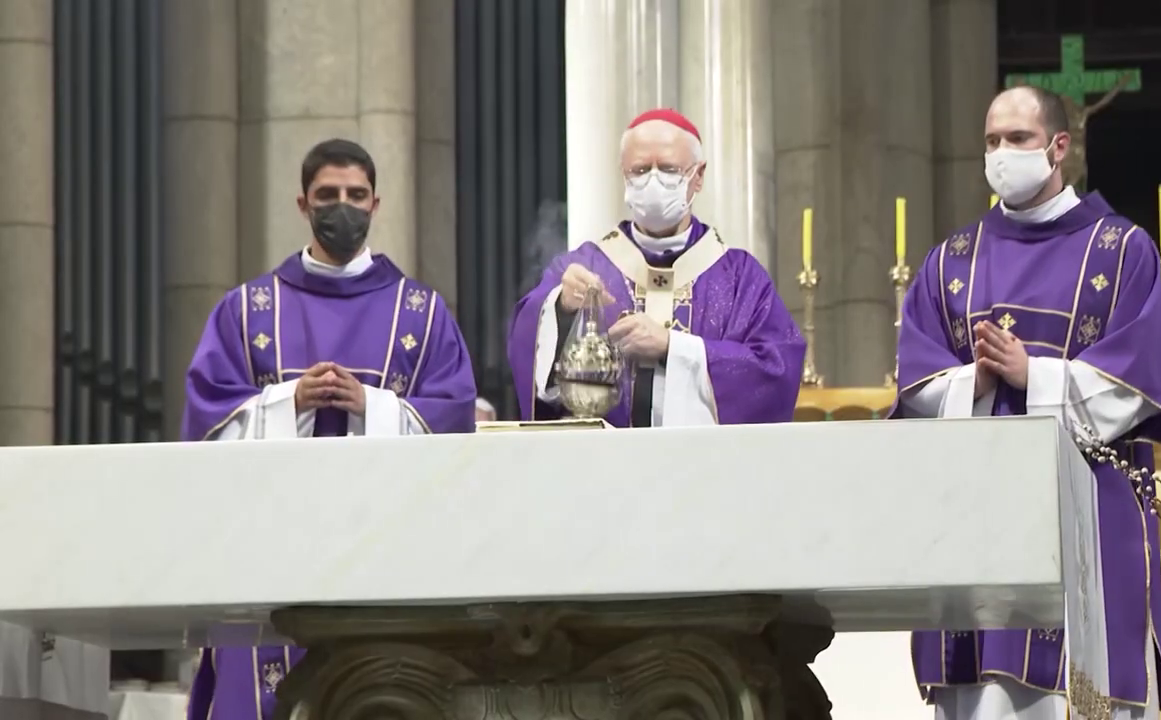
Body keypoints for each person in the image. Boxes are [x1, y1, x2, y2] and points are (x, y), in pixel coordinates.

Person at [891, 85, 1161, 719]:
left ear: (1058, 147)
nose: (1001, 154)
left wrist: (1036, 375)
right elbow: (914, 386)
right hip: (978, 527)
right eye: (992, 141)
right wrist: (974, 382)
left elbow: (1141, 383)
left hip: (1089, 513)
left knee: (1082, 698)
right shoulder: (952, 262)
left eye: (1018, 139)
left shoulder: (1121, 250)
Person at [182, 138, 477, 720]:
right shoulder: (247, 310)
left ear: (376, 203)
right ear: (302, 204)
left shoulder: (420, 312)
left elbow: (456, 421)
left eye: (355, 195)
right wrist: (290, 399)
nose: (342, 208)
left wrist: (370, 405)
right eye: (327, 196)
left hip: (386, 553)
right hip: (269, 552)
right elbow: (203, 421)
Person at [508, 108, 805, 427]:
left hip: (703, 468)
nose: (652, 181)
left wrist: (673, 348)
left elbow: (776, 371)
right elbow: (525, 340)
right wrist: (561, 308)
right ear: (624, 176)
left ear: (698, 176)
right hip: (605, 468)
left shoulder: (739, 279)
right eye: (639, 170)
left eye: (668, 169)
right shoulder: (585, 265)